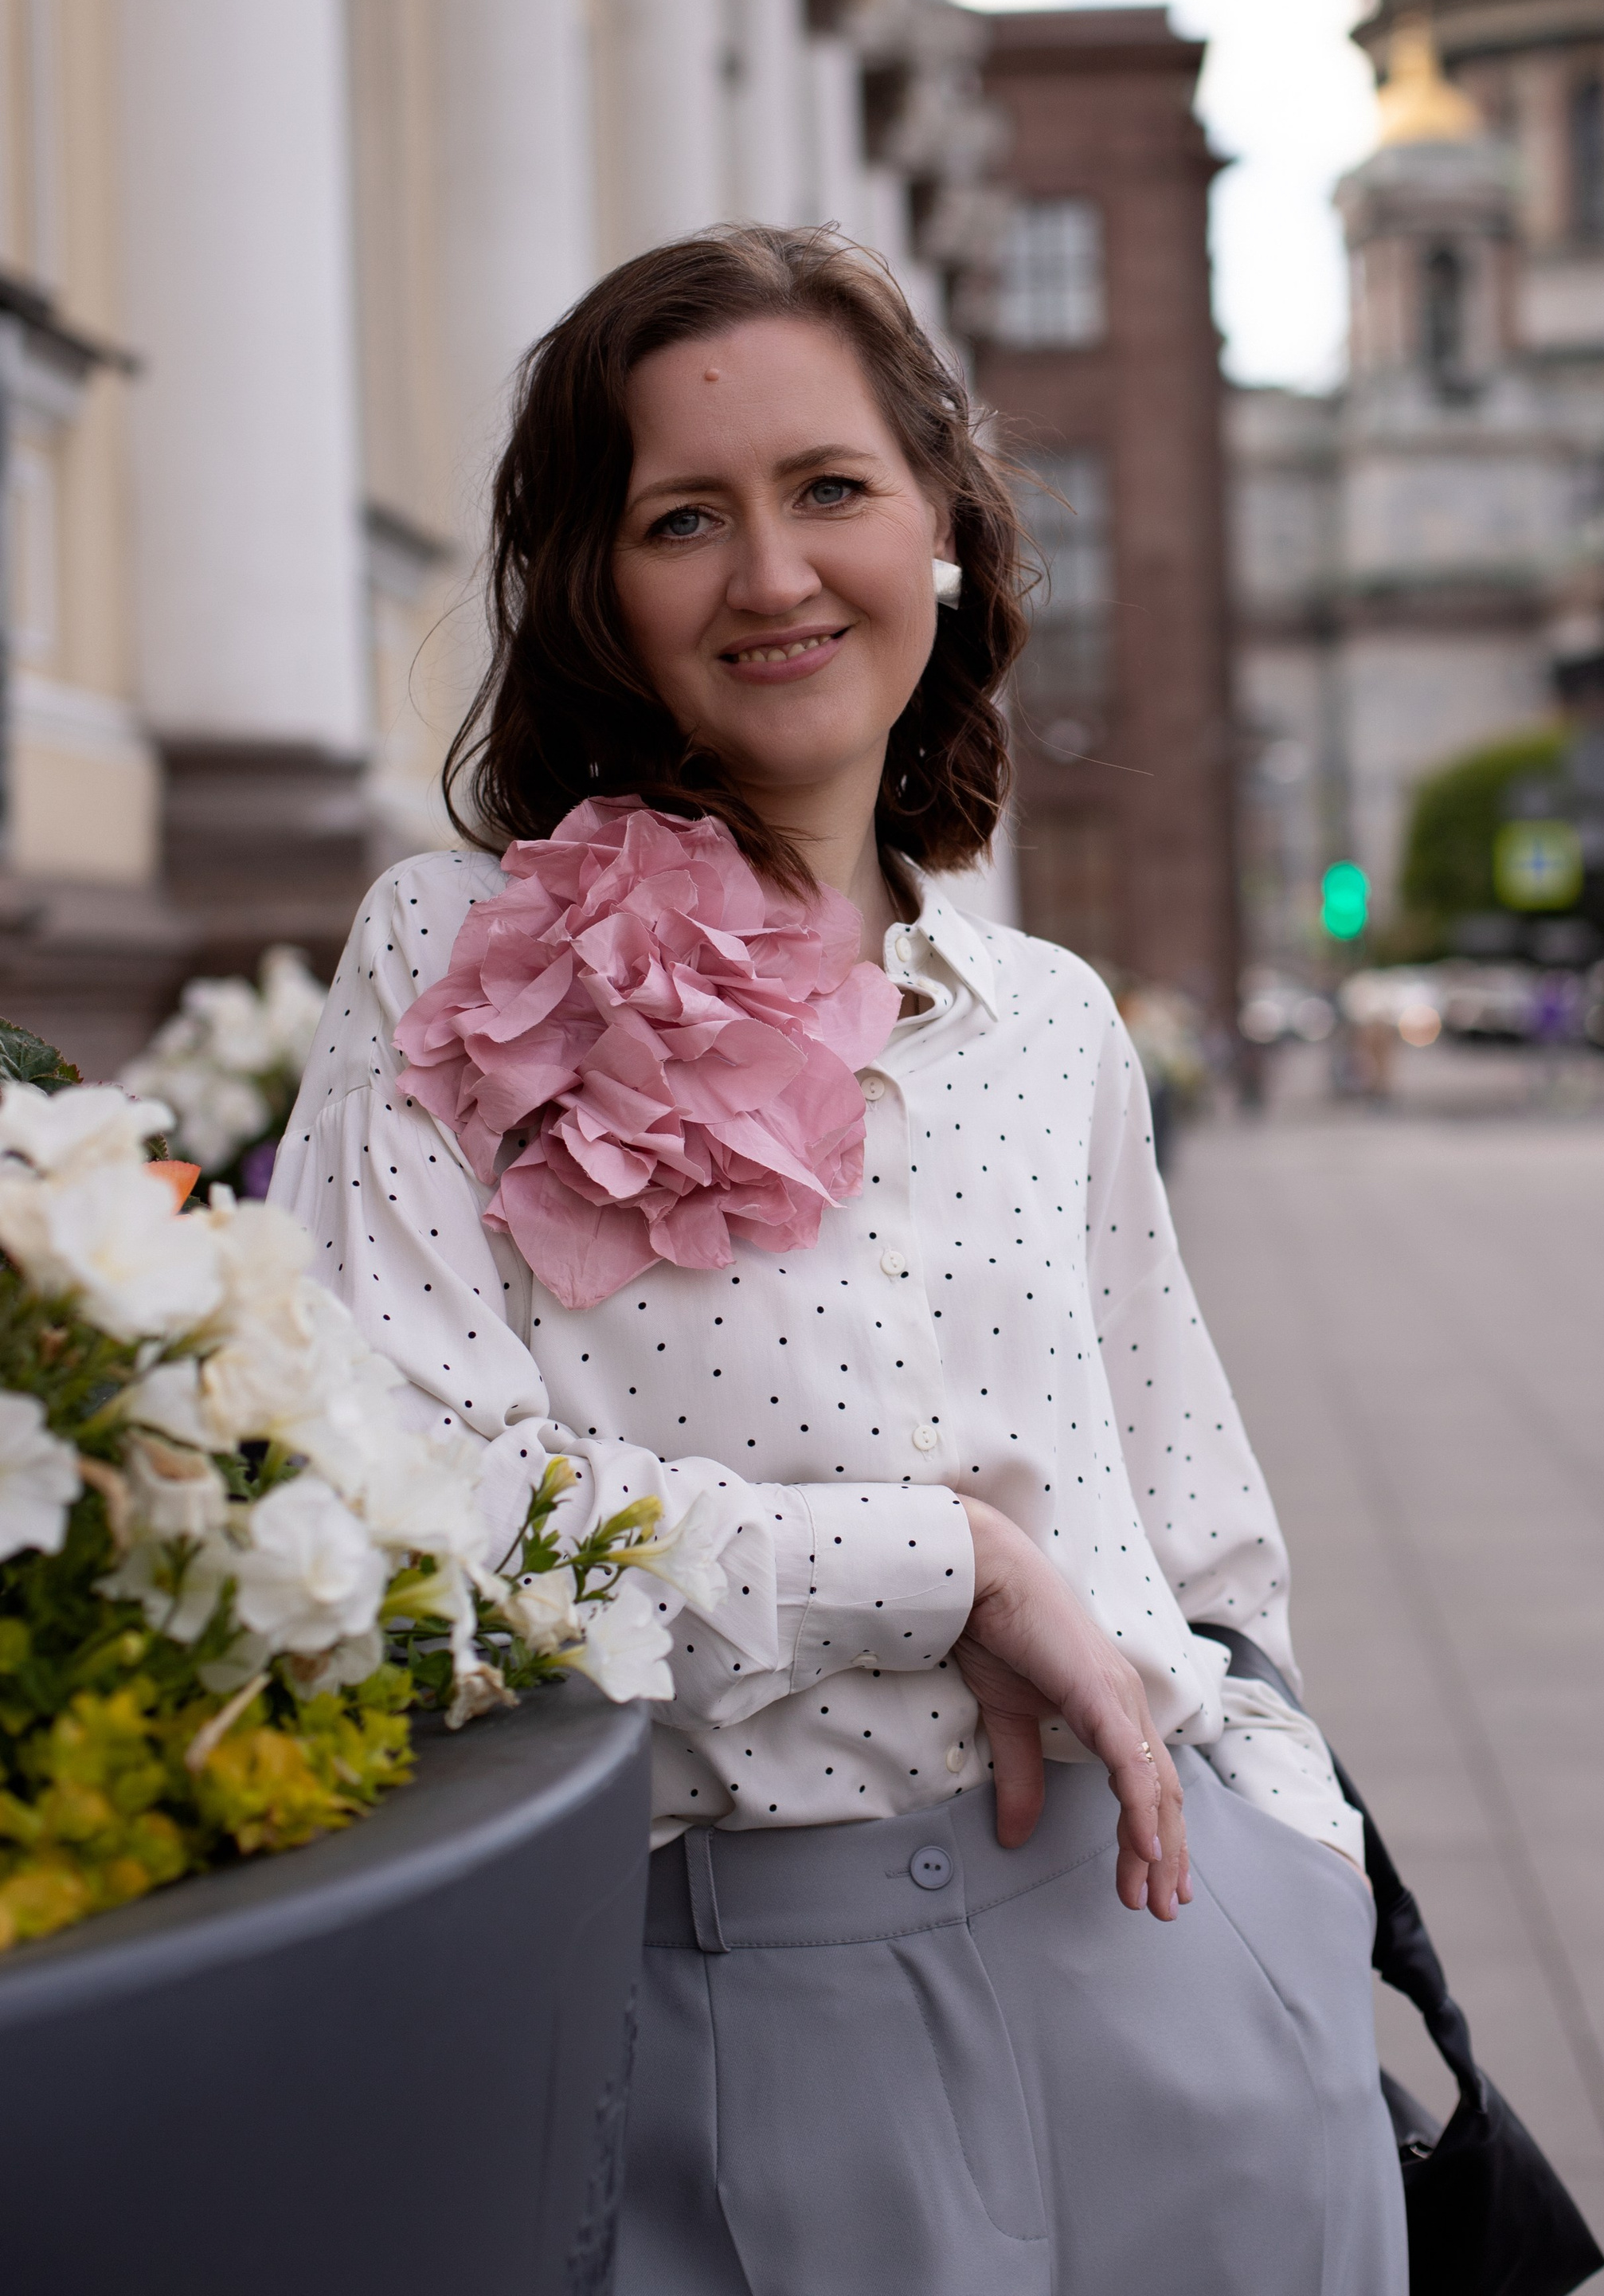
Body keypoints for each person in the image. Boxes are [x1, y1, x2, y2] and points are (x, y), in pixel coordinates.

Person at [272, 228, 1406, 2296]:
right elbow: (388, 1525)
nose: (773, 573)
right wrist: (935, 1565)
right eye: (682, 517)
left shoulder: (1050, 1019)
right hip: (747, 2006)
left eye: (831, 490)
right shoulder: (454, 963)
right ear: (601, 594)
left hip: (1189, 1973)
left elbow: (1200, 1532)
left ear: (949, 532)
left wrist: (1292, 1865)